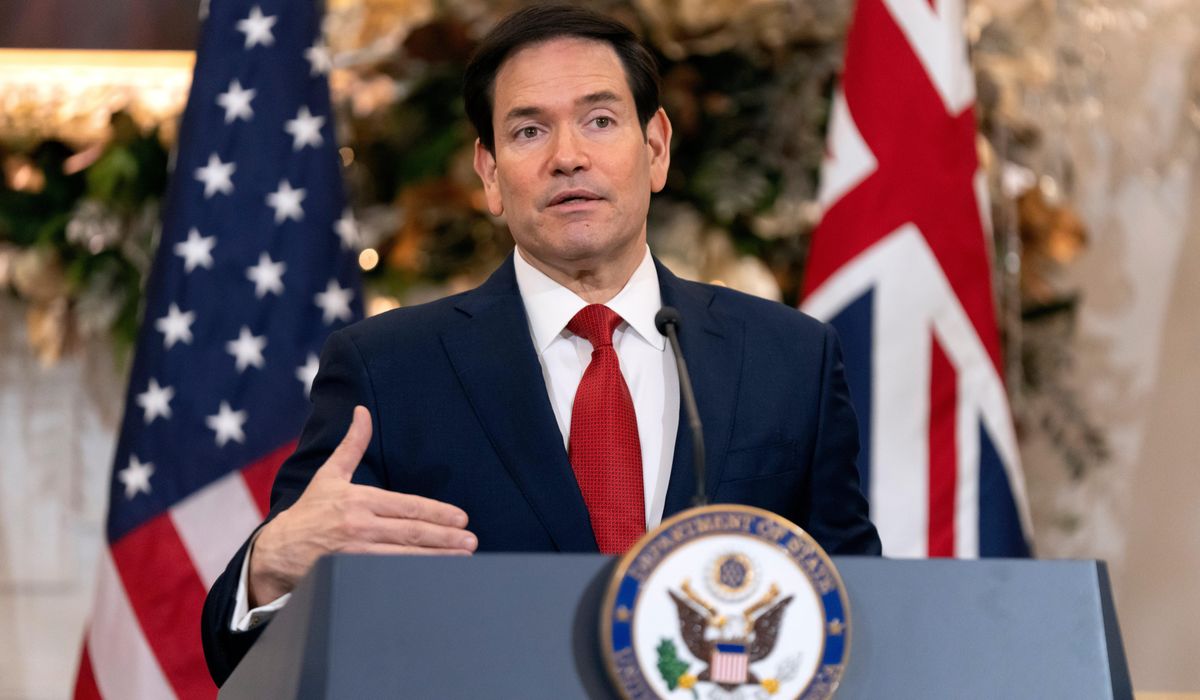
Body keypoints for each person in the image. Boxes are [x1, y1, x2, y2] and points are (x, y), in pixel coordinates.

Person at [201, 4, 880, 685]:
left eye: (600, 120)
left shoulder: (790, 358)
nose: (568, 157)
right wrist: (271, 567)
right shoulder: (388, 370)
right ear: (490, 174)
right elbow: (247, 663)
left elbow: (860, 613)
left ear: (656, 149)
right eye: (529, 131)